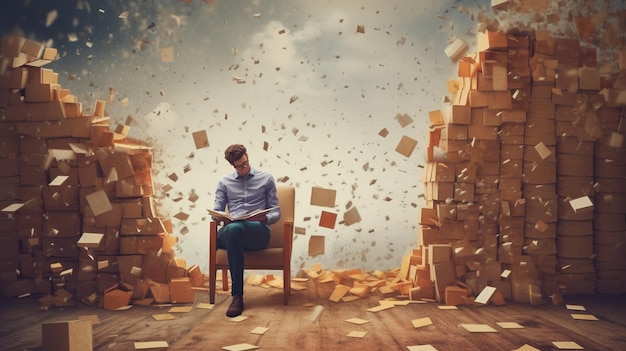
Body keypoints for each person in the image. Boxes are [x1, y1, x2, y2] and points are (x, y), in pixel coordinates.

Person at [212, 144, 281, 317]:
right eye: (239, 166)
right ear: (232, 165)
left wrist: (264, 218)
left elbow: (276, 211)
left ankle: (237, 297)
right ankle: (237, 297)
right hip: (233, 230)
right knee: (234, 228)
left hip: (257, 232)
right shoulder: (224, 182)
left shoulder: (266, 179)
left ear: (247, 158)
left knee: (235, 229)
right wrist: (219, 217)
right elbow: (217, 211)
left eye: (245, 163)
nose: (244, 168)